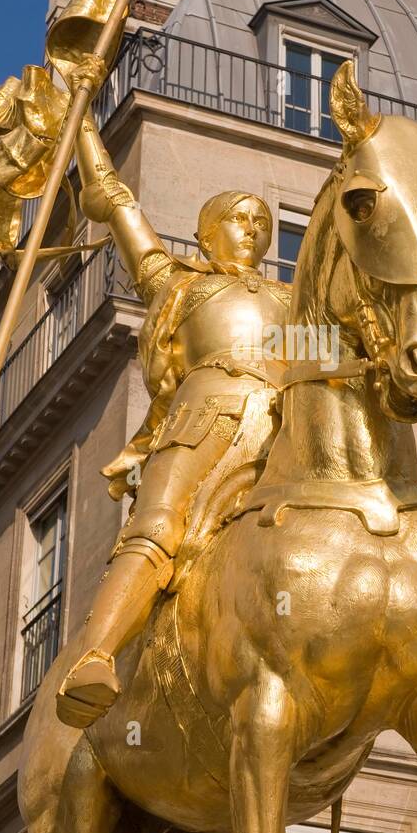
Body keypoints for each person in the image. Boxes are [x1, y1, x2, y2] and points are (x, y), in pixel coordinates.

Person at [55, 56, 290, 727]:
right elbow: (113, 201)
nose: (252, 231)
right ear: (209, 228)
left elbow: (333, 363)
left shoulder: (291, 299)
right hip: (204, 413)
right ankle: (97, 654)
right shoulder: (179, 284)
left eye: (261, 224)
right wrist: (82, 120)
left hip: (281, 419)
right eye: (239, 219)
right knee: (158, 522)